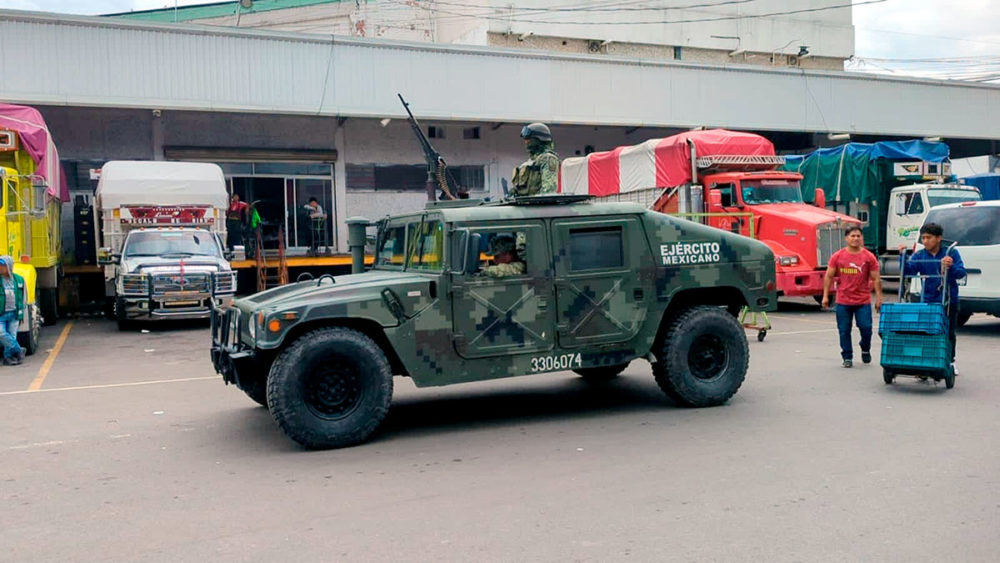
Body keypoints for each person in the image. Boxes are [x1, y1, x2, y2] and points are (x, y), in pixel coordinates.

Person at [899, 222, 966, 370]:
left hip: (949, 300)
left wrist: (951, 266)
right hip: (928, 300)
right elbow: (908, 272)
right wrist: (902, 257)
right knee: (927, 331)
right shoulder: (920, 255)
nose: (925, 241)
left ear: (938, 238)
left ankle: (950, 361)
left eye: (928, 237)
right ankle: (927, 361)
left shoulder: (951, 253)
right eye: (923, 238)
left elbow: (961, 273)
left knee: (948, 332)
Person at [822, 226, 882, 368]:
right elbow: (829, 276)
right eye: (852, 236)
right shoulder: (837, 256)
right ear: (846, 238)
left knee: (866, 328)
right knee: (844, 330)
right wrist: (825, 296)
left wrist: (879, 298)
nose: (855, 239)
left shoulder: (868, 257)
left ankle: (865, 348)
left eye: (858, 236)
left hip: (863, 301)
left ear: (862, 238)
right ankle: (847, 356)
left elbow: (876, 279)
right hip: (843, 300)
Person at [510, 123, 559, 197]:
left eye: (528, 139)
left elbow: (549, 190)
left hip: (538, 206)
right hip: (527, 205)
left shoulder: (548, 158)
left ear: (539, 138)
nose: (526, 142)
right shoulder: (531, 161)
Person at [0, 256, 26, 366]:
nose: (0, 267)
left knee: (12, 335)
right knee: (1, 333)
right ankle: (19, 349)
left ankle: (8, 358)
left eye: (3, 265)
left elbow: (24, 297)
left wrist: (22, 313)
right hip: (1, 314)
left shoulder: (19, 279)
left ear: (9, 266)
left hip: (14, 313)